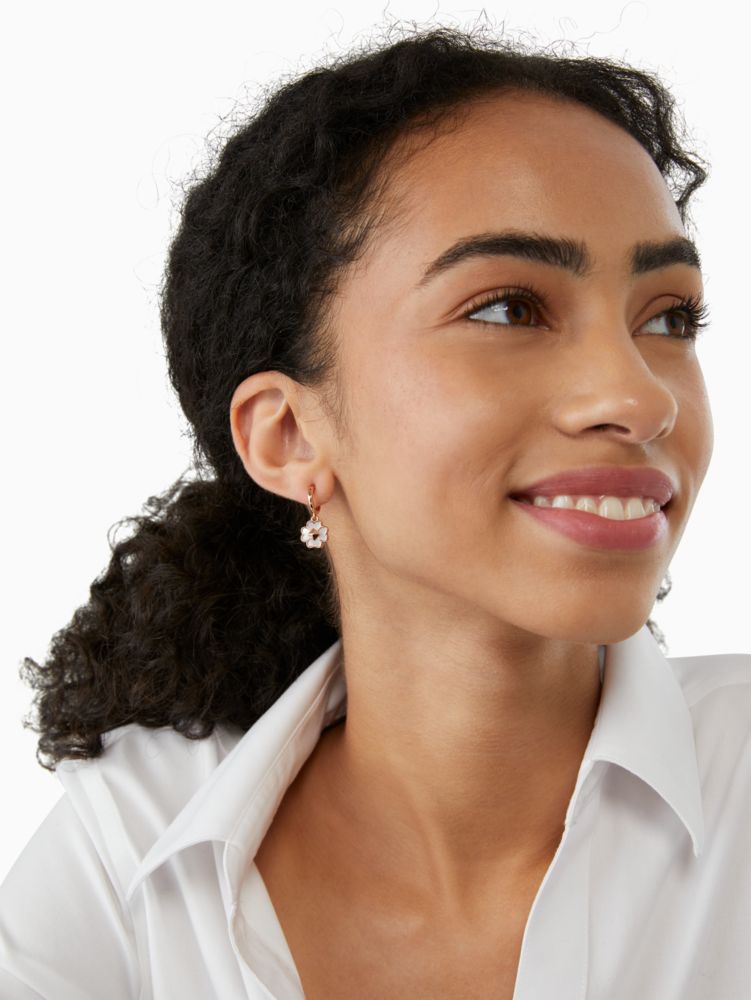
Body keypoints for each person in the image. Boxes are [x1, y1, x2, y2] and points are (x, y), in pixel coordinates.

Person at [1, 21, 749, 1000]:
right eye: (507, 308)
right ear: (287, 436)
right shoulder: (133, 846)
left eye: (668, 317)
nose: (641, 398)